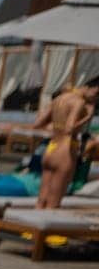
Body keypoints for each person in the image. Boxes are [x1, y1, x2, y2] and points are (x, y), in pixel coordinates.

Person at [37, 76, 99, 209]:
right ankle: (46, 229)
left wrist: (56, 125)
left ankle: (28, 230)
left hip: (51, 148)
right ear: (90, 88)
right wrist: (88, 117)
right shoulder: (78, 102)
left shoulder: (58, 99)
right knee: (53, 203)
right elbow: (70, 128)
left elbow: (38, 124)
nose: (95, 99)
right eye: (96, 94)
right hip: (65, 151)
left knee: (41, 201)